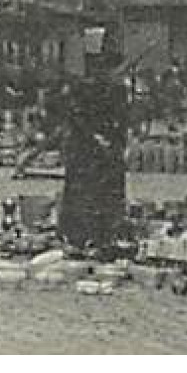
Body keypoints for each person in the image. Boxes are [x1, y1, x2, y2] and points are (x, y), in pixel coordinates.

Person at [57, 27, 129, 254]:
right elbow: (76, 118)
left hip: (105, 151)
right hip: (86, 150)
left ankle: (102, 236)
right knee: (84, 194)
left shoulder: (117, 88)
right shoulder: (82, 88)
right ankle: (81, 237)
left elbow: (122, 119)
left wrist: (115, 142)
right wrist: (99, 138)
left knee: (104, 194)